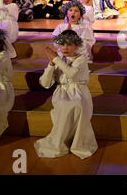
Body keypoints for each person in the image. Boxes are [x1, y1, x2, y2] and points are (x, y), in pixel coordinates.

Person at [35, 30, 98, 159]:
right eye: (62, 44)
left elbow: (71, 74)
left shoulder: (81, 59)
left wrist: (56, 59)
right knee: (64, 105)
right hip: (62, 93)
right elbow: (45, 83)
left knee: (76, 105)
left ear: (76, 45)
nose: (65, 48)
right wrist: (51, 64)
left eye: (69, 44)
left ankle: (77, 142)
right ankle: (62, 141)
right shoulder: (58, 60)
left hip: (79, 93)